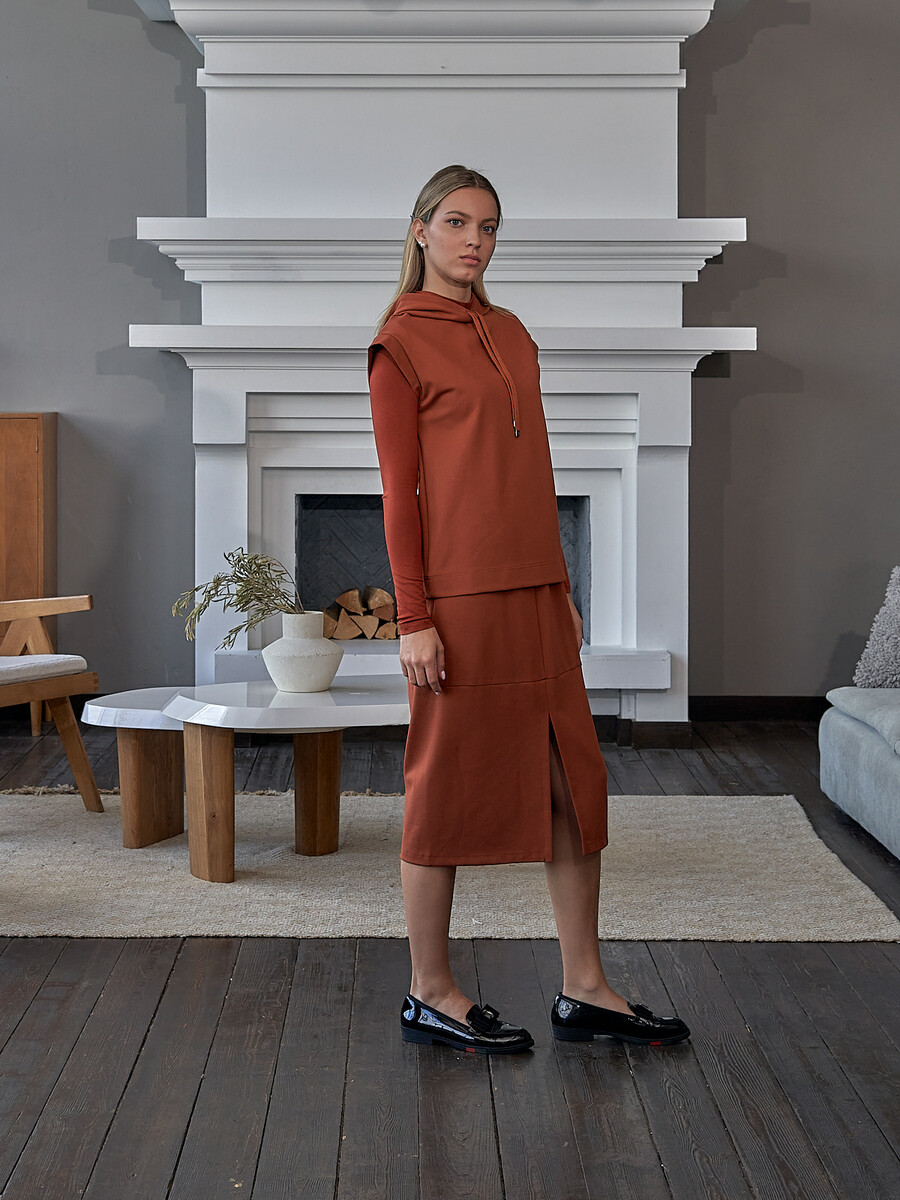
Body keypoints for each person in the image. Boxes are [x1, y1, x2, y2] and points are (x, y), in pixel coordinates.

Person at [367, 164, 690, 1054]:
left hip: (537, 593)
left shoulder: (511, 333)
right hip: (460, 602)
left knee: (572, 785)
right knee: (442, 789)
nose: (475, 241)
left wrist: (562, 586)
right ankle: (431, 990)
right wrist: (413, 617)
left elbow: (533, 472)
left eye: (489, 227)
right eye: (458, 223)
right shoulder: (399, 344)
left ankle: (585, 987)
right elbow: (400, 495)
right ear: (421, 229)